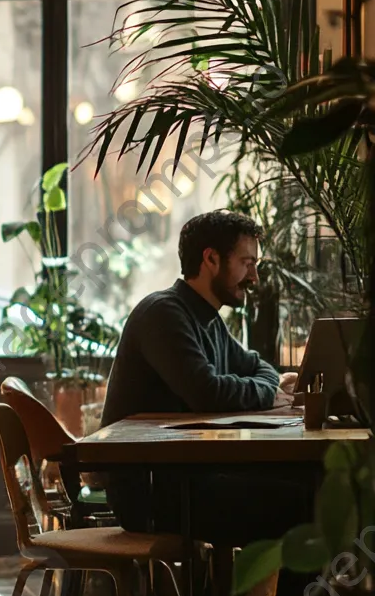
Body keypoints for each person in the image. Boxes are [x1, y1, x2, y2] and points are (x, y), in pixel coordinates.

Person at [101, 210, 309, 549]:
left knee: (310, 485)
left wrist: (265, 387)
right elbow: (206, 391)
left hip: (189, 477)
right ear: (211, 259)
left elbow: (261, 368)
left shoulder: (207, 318)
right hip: (153, 493)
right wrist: (269, 394)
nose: (253, 277)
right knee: (300, 505)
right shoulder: (163, 313)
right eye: (247, 263)